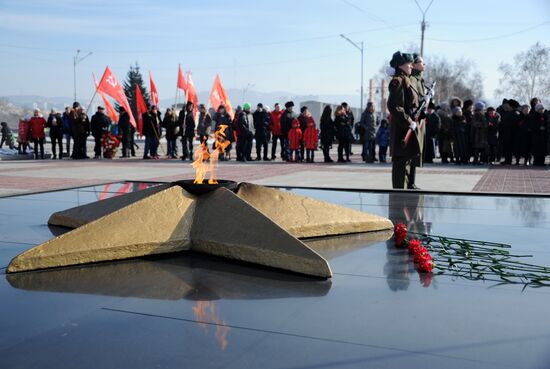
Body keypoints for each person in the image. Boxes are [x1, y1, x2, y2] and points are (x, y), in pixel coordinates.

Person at [387, 51, 420, 189]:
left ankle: (405, 192)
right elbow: (395, 107)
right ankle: (398, 196)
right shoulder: (398, 81)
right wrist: (409, 122)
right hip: (402, 128)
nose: (411, 66)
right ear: (401, 65)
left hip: (407, 126)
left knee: (407, 161)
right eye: (409, 64)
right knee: (400, 163)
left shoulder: (406, 80)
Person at [409, 53, 427, 185]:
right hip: (414, 120)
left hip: (420, 120)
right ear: (414, 64)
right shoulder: (413, 79)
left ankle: (412, 181)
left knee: (417, 152)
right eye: (421, 62)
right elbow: (414, 101)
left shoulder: (420, 80)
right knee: (413, 151)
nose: (424, 64)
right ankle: (410, 182)